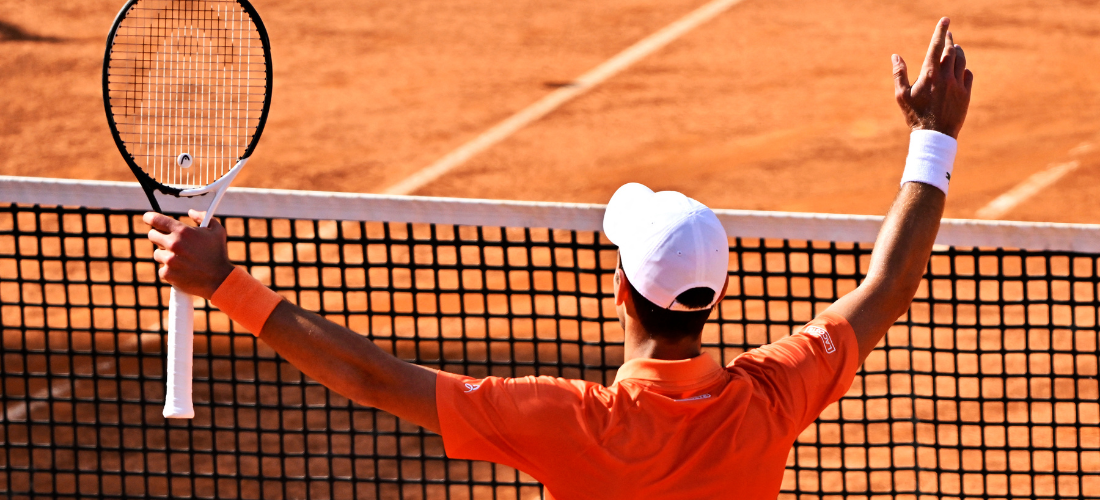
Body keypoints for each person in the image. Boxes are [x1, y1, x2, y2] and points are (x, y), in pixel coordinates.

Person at [144, 17, 973, 500]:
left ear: (621, 290)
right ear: (710, 298)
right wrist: (930, 142)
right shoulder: (771, 399)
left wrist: (222, 281)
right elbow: (889, 286)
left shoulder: (569, 422)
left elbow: (376, 378)